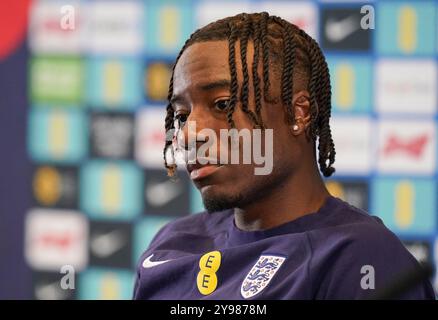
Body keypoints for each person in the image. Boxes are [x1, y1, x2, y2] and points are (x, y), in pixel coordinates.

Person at [133, 12, 435, 300]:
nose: (187, 134)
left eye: (222, 105)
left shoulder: (360, 258)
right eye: (182, 115)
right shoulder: (172, 242)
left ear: (299, 113)